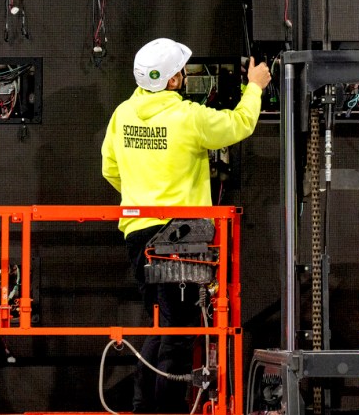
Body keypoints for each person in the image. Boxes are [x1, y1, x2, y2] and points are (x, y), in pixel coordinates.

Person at [102, 37, 271, 414]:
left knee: (162, 325)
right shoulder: (188, 117)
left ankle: (143, 407)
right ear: (173, 80)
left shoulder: (122, 115)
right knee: (179, 337)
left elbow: (110, 169)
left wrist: (144, 196)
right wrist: (255, 87)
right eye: (181, 71)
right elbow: (238, 124)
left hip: (138, 234)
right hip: (181, 237)